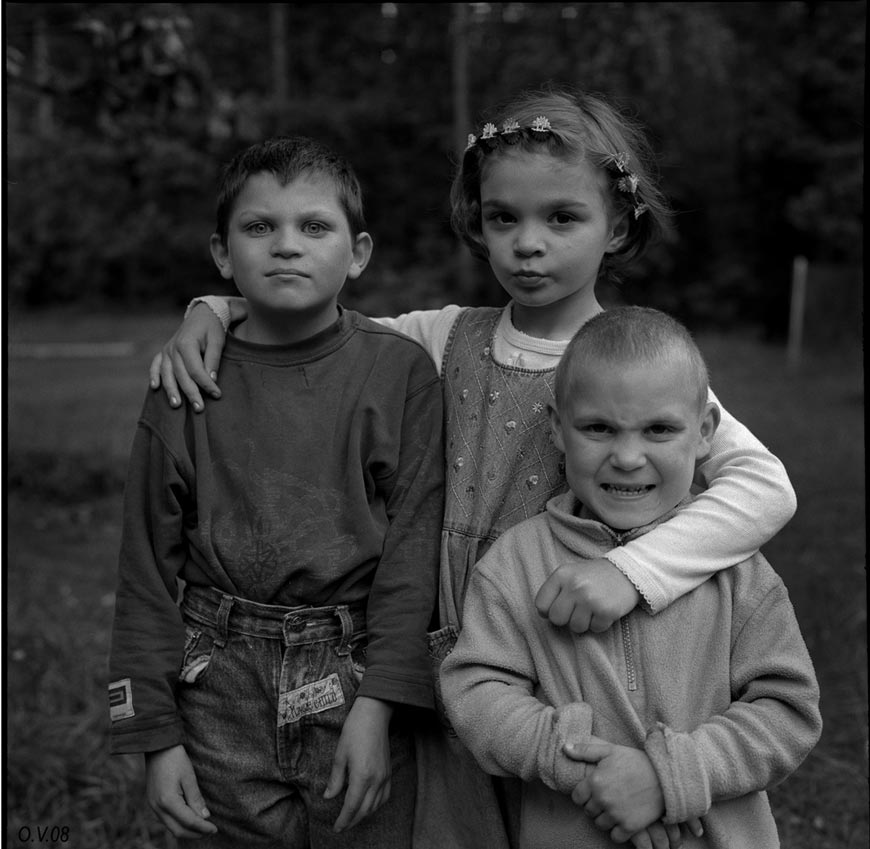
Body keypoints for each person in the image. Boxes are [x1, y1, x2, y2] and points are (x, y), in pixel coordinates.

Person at [145, 86, 798, 849]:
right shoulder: (440, 335)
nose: (527, 243)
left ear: (617, 225)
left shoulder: (635, 366)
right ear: (477, 221)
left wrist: (634, 572)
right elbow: (315, 317)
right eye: (502, 218)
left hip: (568, 660)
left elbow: (763, 486)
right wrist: (215, 307)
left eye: (562, 217)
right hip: (447, 668)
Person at [108, 135, 445, 848]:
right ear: (224, 255)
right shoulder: (184, 384)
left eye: (313, 226)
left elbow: (414, 561)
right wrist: (154, 736)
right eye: (260, 227)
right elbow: (144, 570)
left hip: (353, 673)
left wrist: (382, 705)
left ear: (357, 253)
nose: (286, 245)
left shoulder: (400, 373)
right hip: (217, 681)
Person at [441, 306, 822, 849]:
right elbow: (476, 696)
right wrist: (582, 767)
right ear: (556, 428)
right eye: (598, 428)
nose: (626, 457)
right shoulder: (513, 564)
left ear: (706, 432)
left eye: (659, 429)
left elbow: (788, 711)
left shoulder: (739, 572)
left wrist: (671, 777)